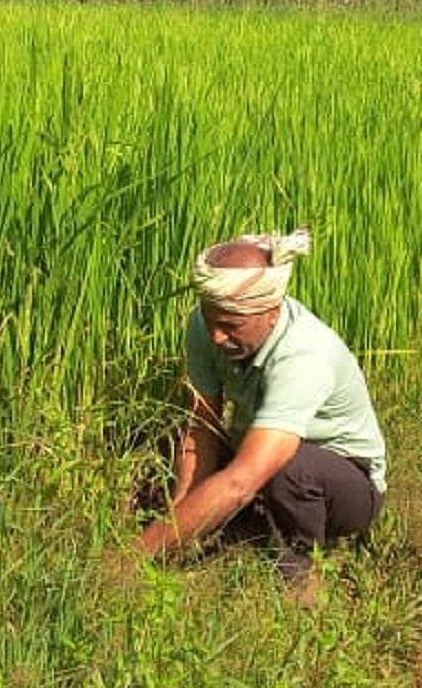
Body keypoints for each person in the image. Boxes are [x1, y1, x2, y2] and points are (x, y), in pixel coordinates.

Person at [130, 229, 387, 585]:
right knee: (170, 442)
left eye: (232, 327)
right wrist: (176, 526)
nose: (217, 337)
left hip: (347, 484)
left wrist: (132, 559)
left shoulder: (304, 356)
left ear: (271, 312)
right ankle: (232, 539)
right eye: (211, 320)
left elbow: (243, 479)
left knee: (290, 469)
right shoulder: (205, 327)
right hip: (261, 454)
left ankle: (301, 586)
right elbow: (201, 426)